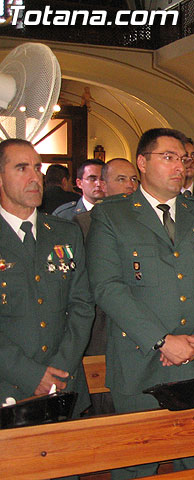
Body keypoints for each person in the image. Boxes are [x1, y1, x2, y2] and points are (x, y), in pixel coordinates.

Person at [86, 128, 194, 479]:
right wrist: (162, 339)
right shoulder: (113, 215)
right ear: (142, 162)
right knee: (137, 462)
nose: (180, 167)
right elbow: (107, 288)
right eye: (168, 158)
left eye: (183, 159)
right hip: (142, 359)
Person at [0, 138, 93, 417]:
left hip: (64, 383)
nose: (35, 177)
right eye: (21, 168)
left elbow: (82, 306)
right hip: (8, 386)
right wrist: (31, 374)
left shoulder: (65, 232)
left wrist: (61, 367)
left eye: (37, 167)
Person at [75, 158, 140, 415]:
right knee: (105, 404)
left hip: (139, 326)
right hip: (102, 327)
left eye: (134, 179)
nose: (129, 186)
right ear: (102, 184)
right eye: (121, 179)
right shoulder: (83, 224)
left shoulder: (144, 221)